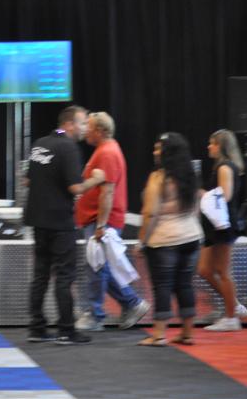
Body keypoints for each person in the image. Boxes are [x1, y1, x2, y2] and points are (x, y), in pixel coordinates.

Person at [25, 105, 106, 345]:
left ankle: (36, 328)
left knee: (40, 275)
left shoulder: (40, 143)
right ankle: (66, 330)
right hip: (60, 222)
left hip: (38, 220)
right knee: (64, 276)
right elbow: (75, 188)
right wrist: (96, 180)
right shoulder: (68, 147)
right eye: (82, 123)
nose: (85, 128)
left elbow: (27, 180)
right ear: (69, 124)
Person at [75, 111, 150, 331]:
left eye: (88, 127)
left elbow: (107, 193)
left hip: (101, 221)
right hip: (98, 220)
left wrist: (101, 225)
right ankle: (132, 304)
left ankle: (95, 315)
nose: (85, 131)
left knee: (97, 267)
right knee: (100, 266)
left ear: (99, 130)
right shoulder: (105, 150)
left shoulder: (107, 153)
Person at [136, 133, 203, 347]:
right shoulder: (191, 176)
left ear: (168, 153)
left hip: (164, 240)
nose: (155, 152)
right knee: (185, 285)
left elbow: (150, 213)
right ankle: (187, 334)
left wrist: (141, 241)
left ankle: (159, 335)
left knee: (162, 286)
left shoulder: (158, 178)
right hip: (192, 237)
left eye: (159, 149)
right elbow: (196, 208)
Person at [198, 128, 247, 331]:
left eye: (212, 143)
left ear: (221, 146)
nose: (209, 147)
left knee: (222, 271)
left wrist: (201, 194)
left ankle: (231, 317)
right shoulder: (221, 167)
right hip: (214, 226)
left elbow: (224, 196)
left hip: (222, 227)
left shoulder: (225, 168)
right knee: (204, 270)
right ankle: (233, 304)